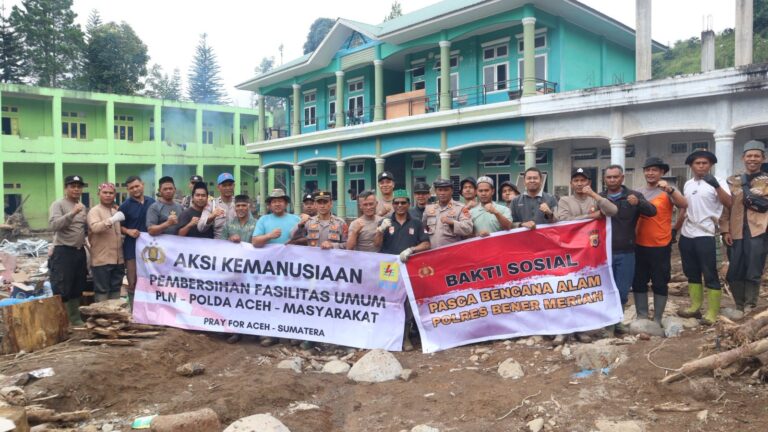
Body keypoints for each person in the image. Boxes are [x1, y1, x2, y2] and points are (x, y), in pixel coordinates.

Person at [555, 168, 618, 344]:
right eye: (576, 180)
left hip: (591, 254)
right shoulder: (565, 200)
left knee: (584, 291)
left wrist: (596, 197)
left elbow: (612, 211)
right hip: (569, 253)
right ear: (571, 184)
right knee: (566, 290)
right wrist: (591, 216)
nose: (580, 183)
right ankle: (563, 330)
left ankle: (582, 329)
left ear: (588, 182)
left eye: (583, 180)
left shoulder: (595, 199)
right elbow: (564, 221)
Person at [677, 150, 732, 325]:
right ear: (691, 166)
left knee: (709, 273)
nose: (701, 166)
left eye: (705, 163)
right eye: (697, 163)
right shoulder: (687, 184)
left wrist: (715, 185)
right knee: (691, 271)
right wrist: (676, 227)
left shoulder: (719, 182)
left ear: (710, 165)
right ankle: (695, 306)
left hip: (706, 233)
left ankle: (712, 312)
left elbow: (729, 203)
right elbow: (684, 207)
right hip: (687, 232)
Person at [599, 165, 656, 332]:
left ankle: (618, 321)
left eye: (615, 177)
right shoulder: (599, 197)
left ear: (622, 178)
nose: (612, 180)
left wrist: (638, 203)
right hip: (603, 253)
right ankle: (607, 324)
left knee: (623, 290)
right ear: (605, 179)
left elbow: (652, 211)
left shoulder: (634, 196)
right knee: (606, 290)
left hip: (626, 251)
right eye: (609, 177)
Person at [634, 157, 688, 324]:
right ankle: (642, 315)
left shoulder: (668, 191)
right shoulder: (637, 192)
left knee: (660, 282)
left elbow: (684, 204)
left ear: (662, 172)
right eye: (647, 170)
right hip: (638, 243)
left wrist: (670, 190)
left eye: (655, 170)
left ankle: (657, 318)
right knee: (638, 281)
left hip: (660, 244)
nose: (650, 173)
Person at [721, 140, 768, 318]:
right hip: (736, 231)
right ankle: (738, 304)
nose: (753, 159)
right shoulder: (734, 181)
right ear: (743, 158)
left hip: (759, 231)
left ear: (763, 158)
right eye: (749, 155)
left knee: (754, 269)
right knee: (735, 270)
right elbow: (727, 206)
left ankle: (750, 304)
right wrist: (725, 230)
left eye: (757, 156)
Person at [380, 189, 430, 351]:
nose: (400, 205)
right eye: (396, 203)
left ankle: (406, 336)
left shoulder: (416, 222)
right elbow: (376, 244)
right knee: (390, 301)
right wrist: (380, 231)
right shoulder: (386, 221)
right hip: (389, 268)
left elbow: (426, 244)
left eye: (403, 202)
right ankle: (388, 335)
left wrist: (411, 250)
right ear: (392, 204)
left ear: (409, 204)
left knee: (408, 302)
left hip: (409, 267)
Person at [48, 175, 88, 325]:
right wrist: (72, 213)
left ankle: (75, 318)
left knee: (78, 285)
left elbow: (83, 228)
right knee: (63, 286)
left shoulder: (82, 206)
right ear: (66, 188)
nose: (76, 189)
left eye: (79, 186)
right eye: (73, 186)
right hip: (63, 251)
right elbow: (54, 226)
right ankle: (63, 321)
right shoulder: (58, 204)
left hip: (79, 251)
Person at [118, 176, 155, 311]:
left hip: (151, 249)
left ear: (142, 185)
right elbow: (118, 226)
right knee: (133, 280)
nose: (135, 189)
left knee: (150, 279)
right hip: (132, 248)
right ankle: (135, 311)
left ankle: (150, 310)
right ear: (128, 190)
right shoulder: (124, 206)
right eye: (131, 188)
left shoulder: (152, 203)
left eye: (137, 186)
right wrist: (127, 231)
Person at [86, 183, 125, 303]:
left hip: (118, 259)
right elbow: (95, 228)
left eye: (111, 193)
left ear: (114, 195)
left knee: (115, 289)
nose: (108, 195)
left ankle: (113, 319)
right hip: (101, 260)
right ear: (99, 194)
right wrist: (112, 220)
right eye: (105, 192)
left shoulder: (115, 211)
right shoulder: (94, 211)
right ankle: (101, 319)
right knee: (102, 291)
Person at [423, 178, 473, 248]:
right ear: (435, 191)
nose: (442, 193)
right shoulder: (428, 208)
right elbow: (423, 229)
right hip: (432, 253)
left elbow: (468, 229)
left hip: (452, 253)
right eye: (440, 190)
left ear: (452, 191)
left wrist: (452, 223)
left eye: (446, 190)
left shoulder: (461, 208)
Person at [198, 173, 236, 239]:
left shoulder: (240, 204)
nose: (228, 188)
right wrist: (212, 216)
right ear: (218, 187)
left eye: (230, 185)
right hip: (218, 245)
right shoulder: (212, 204)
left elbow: (251, 225)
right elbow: (200, 228)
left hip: (237, 244)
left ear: (234, 186)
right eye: (224, 185)